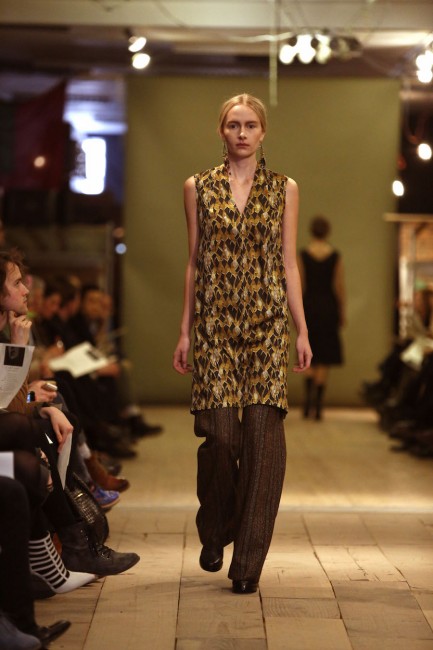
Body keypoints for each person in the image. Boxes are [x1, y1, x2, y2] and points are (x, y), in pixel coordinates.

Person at [173, 93, 312, 594]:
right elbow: (194, 260)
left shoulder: (284, 189)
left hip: (267, 326)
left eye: (251, 125)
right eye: (234, 125)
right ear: (221, 130)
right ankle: (216, 527)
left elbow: (288, 261)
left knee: (262, 444)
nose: (242, 133)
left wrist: (302, 329)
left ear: (263, 131)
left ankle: (247, 563)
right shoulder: (198, 187)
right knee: (220, 437)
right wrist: (185, 330)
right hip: (214, 327)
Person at [299, 215, 345, 420]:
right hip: (328, 308)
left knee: (309, 353)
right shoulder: (335, 256)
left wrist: (297, 314)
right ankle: (318, 405)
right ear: (327, 232)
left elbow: (300, 286)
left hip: (309, 307)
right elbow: (339, 286)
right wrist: (342, 311)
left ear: (312, 231)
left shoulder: (303, 255)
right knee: (324, 355)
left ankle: (307, 401)